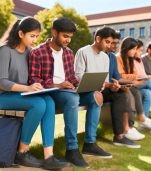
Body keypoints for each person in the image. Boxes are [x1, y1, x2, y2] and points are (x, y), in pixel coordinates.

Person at [29, 17, 110, 168]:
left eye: (70, 37)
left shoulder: (69, 53)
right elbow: (33, 80)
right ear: (54, 32)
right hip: (51, 93)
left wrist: (85, 84)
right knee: (72, 98)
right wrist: (56, 84)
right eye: (65, 36)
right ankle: (72, 149)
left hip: (68, 92)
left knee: (96, 96)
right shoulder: (38, 52)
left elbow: (72, 77)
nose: (68, 40)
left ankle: (90, 143)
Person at [0, 16, 69, 170]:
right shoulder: (4, 51)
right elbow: (2, 82)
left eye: (37, 36)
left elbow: (33, 78)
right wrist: (27, 88)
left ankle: (49, 156)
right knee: (39, 104)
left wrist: (38, 85)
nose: (35, 39)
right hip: (4, 96)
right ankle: (22, 151)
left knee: (49, 102)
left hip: (25, 94)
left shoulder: (31, 52)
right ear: (20, 34)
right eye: (32, 36)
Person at [105, 30, 148, 142]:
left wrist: (130, 82)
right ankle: (127, 128)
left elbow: (121, 76)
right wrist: (131, 81)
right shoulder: (116, 57)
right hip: (105, 87)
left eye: (116, 43)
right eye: (133, 49)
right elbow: (120, 76)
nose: (115, 45)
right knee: (129, 94)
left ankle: (129, 127)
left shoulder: (115, 58)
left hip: (116, 84)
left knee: (135, 92)